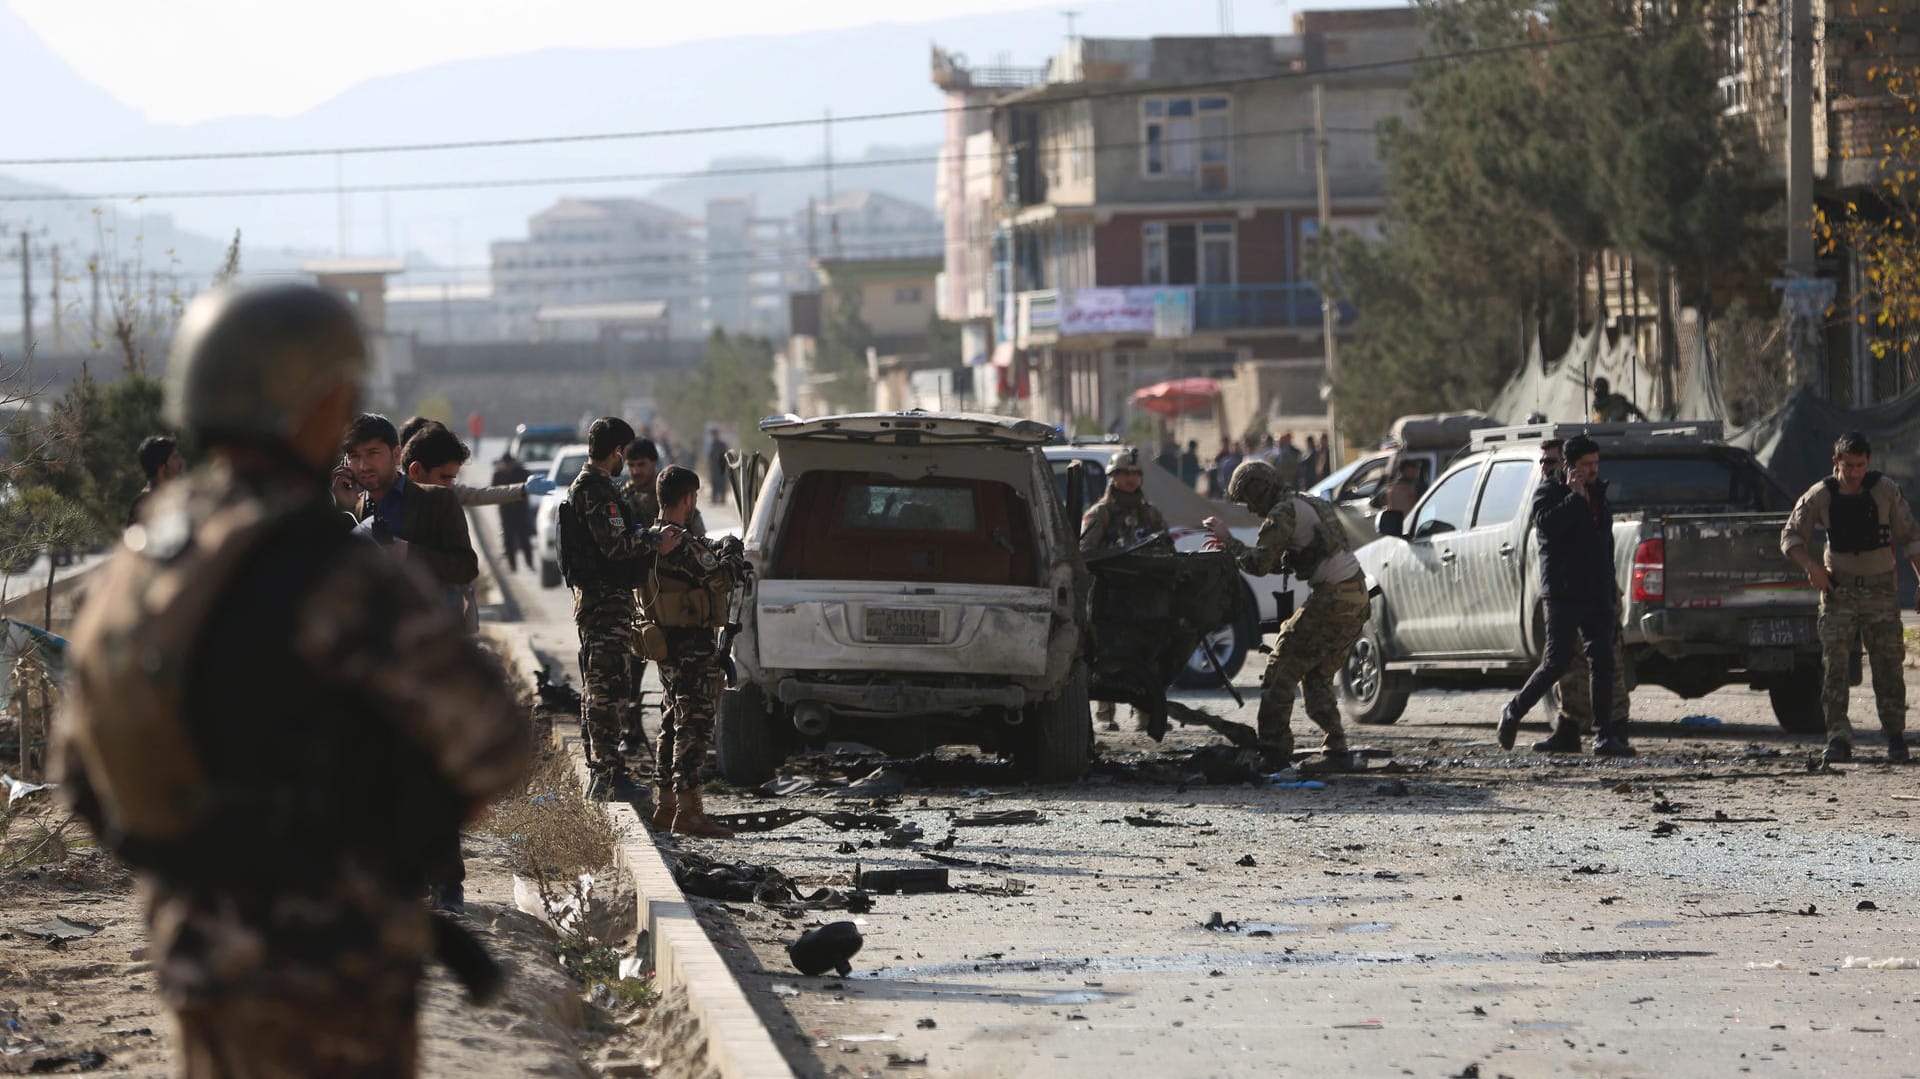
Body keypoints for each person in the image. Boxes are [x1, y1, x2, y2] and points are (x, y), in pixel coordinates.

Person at [55, 283, 528, 1077]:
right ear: (316, 404)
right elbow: (494, 745)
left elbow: (82, 776)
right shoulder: (327, 566)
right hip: (330, 970)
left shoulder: (143, 559)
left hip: (197, 960)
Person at [1205, 459, 1369, 769]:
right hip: (1356, 596)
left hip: (1332, 599)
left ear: (1259, 489)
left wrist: (1228, 541)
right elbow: (1313, 552)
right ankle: (1336, 749)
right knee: (1317, 677)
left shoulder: (1283, 513)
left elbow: (1258, 564)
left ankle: (1273, 749)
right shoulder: (1308, 502)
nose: (1251, 510)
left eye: (1249, 499)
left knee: (1280, 669)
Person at [1782, 432, 1920, 764]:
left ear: (1868, 463)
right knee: (1836, 667)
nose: (1854, 473)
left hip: (1880, 591)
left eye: (1860, 465)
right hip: (1838, 591)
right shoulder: (1822, 495)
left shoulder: (1885, 491)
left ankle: (1895, 737)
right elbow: (1790, 536)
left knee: (1888, 665)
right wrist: (1812, 567)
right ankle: (1838, 737)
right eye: (1848, 466)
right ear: (1836, 463)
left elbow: (1911, 538)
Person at [562, 417, 676, 800]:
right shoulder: (597, 491)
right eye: (623, 455)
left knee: (598, 686)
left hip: (600, 601)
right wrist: (653, 539)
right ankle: (608, 775)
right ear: (616, 452)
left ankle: (602, 770)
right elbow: (616, 546)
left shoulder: (590, 487)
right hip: (604, 602)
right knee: (609, 689)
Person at [1498, 435, 1633, 757]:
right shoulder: (1549, 493)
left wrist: (1610, 592)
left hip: (1597, 592)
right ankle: (1514, 711)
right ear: (1570, 467)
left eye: (1595, 464)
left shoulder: (1600, 494)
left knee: (1602, 661)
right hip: (1563, 593)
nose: (1592, 470)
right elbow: (1548, 526)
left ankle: (1604, 736)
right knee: (1556, 662)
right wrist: (1574, 497)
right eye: (1586, 465)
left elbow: (1604, 547)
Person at [637, 465, 738, 838]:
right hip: (691, 644)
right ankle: (690, 810)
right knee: (693, 724)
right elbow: (722, 578)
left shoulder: (653, 537)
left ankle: (666, 805)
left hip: (666, 641)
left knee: (671, 718)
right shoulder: (680, 542)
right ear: (688, 499)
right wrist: (732, 555)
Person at [1081, 447, 1171, 731]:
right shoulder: (1100, 513)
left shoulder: (1151, 514)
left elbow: (1167, 549)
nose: (1130, 479)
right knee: (1105, 654)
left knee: (1148, 655)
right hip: (1109, 597)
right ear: (1113, 477)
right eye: (1124, 473)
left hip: (1144, 598)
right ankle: (1105, 714)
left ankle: (1146, 713)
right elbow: (1084, 552)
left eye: (1134, 474)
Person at [346, 414, 480, 592]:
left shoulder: (437, 499)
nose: (363, 466)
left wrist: (408, 552)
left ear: (396, 455)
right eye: (354, 456)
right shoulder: (354, 508)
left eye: (373, 453)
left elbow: (467, 568)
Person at [127, 434, 186, 526]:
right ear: (161, 467)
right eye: (175, 457)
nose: (181, 462)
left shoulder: (175, 497)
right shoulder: (144, 504)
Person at [491, 452, 535, 572]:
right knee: (508, 539)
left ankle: (529, 562)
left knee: (524, 538)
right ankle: (512, 565)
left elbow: (529, 486)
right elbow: (492, 491)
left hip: (521, 511)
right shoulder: (498, 475)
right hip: (506, 512)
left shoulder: (522, 472)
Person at [1377, 458, 1426, 536]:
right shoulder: (1403, 487)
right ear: (1407, 470)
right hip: (1407, 527)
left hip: (1405, 526)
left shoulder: (1394, 487)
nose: (1416, 471)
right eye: (1414, 468)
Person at [706, 428, 730, 506]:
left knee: (721, 483)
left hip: (721, 467)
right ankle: (714, 498)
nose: (714, 436)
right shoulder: (712, 444)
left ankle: (722, 498)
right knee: (714, 483)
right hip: (714, 468)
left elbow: (725, 455)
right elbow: (710, 456)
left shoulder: (722, 444)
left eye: (714, 434)